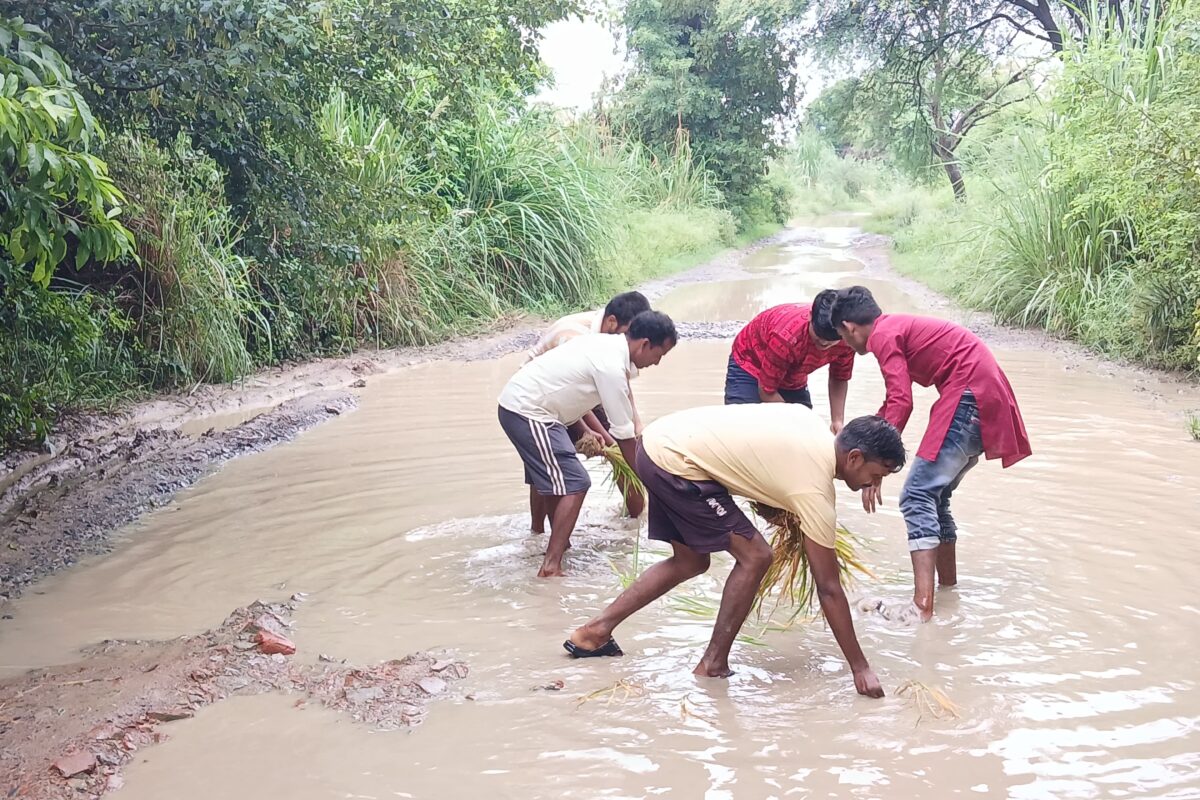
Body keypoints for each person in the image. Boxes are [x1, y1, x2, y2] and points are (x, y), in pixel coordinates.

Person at [564, 405, 905, 696]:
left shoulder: (807, 421)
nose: (873, 484)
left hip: (657, 443)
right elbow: (828, 588)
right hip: (677, 463)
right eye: (875, 475)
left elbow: (750, 451)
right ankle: (712, 664)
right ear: (854, 457)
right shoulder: (814, 489)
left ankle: (593, 633)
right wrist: (860, 668)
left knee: (691, 561)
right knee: (757, 556)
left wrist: (768, 505)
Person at [830, 286, 1032, 621]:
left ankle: (922, 606)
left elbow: (901, 401)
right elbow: (893, 405)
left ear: (850, 327)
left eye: (841, 336)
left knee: (916, 494)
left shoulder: (882, 335)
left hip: (968, 393)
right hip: (982, 392)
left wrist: (874, 464)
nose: (845, 344)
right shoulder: (894, 327)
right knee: (935, 497)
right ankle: (947, 591)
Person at [498, 311, 678, 577]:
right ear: (644, 344)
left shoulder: (607, 347)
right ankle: (550, 566)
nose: (658, 362)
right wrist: (651, 481)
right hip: (529, 412)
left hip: (536, 411)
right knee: (576, 482)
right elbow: (624, 436)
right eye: (659, 355)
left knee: (557, 481)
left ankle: (559, 545)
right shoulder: (611, 367)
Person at [524, 292, 652, 529]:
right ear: (612, 322)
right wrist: (590, 432)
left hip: (588, 391)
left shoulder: (615, 343)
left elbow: (621, 383)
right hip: (543, 399)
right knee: (545, 468)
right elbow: (568, 394)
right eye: (628, 334)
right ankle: (537, 532)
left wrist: (636, 424)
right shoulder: (572, 336)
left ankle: (634, 523)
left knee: (622, 447)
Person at [724, 291, 856, 434]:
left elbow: (839, 377)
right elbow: (767, 391)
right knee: (744, 427)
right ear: (810, 317)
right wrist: (794, 424)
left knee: (805, 432)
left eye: (831, 342)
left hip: (793, 373)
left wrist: (837, 421)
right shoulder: (786, 337)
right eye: (818, 337)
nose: (824, 343)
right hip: (750, 363)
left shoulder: (848, 340)